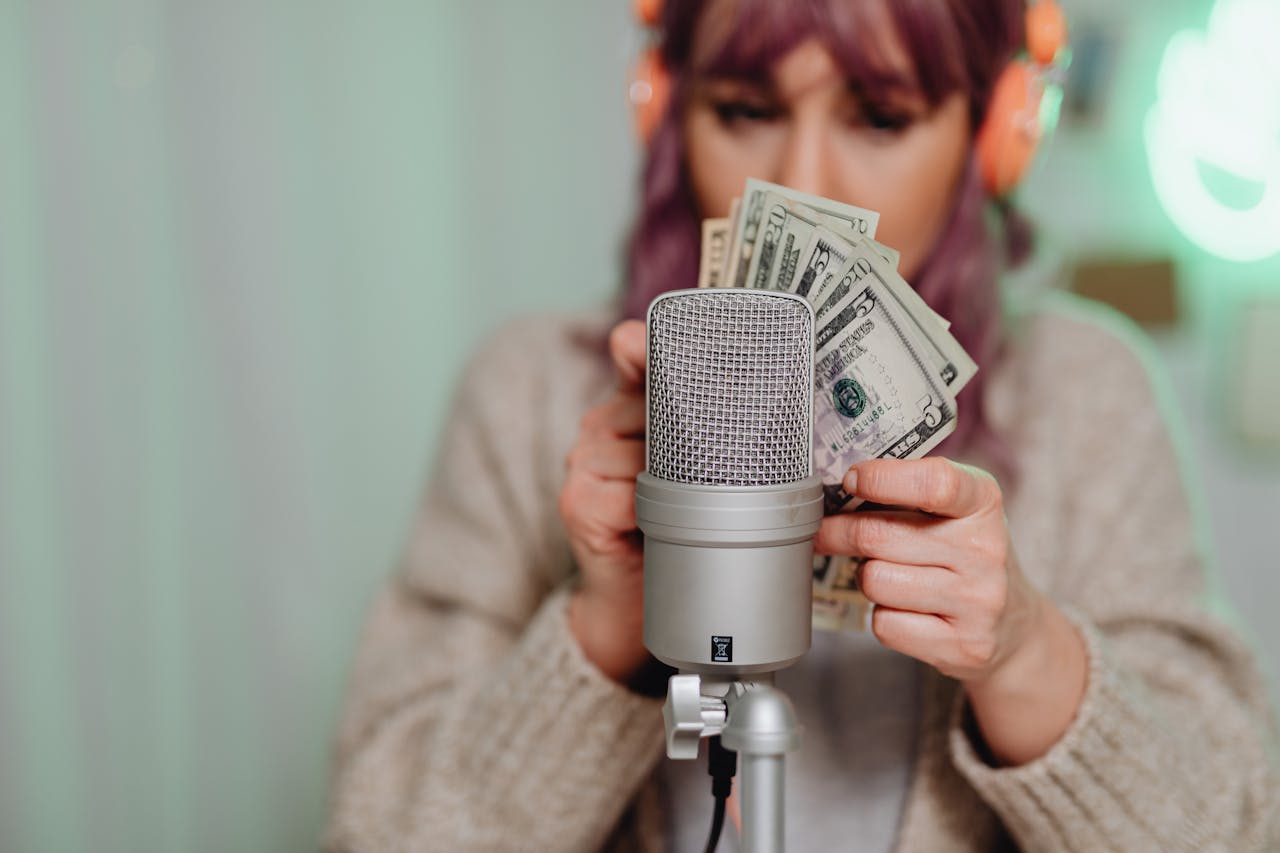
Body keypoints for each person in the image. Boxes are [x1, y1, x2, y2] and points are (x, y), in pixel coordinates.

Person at [325, 1, 1280, 850]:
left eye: (879, 116)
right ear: (665, 111)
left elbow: (1234, 828)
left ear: (994, 136)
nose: (802, 180)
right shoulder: (528, 391)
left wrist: (1027, 651)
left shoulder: (1088, 392)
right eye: (745, 109)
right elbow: (377, 831)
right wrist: (606, 618)